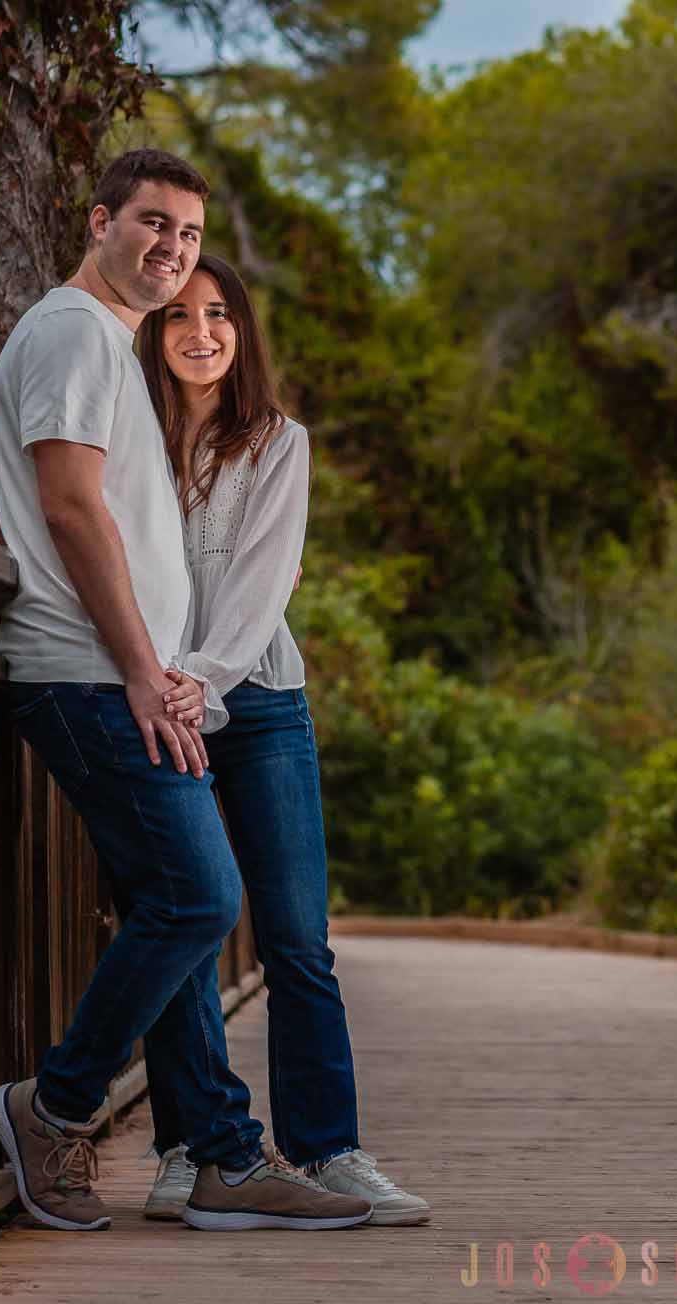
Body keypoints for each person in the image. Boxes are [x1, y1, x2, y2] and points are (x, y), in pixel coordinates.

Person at [0, 148, 369, 1234]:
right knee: (198, 897)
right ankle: (54, 1104)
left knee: (188, 905)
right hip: (88, 670)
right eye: (153, 224)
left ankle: (219, 1154)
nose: (171, 248)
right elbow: (70, 509)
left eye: (190, 234)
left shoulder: (110, 343)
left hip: (125, 675)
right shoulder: (71, 329)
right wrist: (149, 671)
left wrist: (158, 670)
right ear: (100, 218)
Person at [134, 253, 431, 1225]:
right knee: (182, 925)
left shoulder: (276, 442)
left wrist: (200, 680)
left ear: (242, 329)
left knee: (299, 937)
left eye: (219, 314)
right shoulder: (124, 441)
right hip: (153, 707)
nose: (201, 331)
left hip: (255, 705)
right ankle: (187, 1146)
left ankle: (328, 1148)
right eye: (180, 314)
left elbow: (264, 588)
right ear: (153, 328)